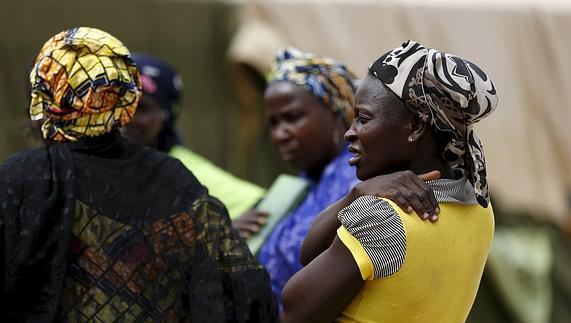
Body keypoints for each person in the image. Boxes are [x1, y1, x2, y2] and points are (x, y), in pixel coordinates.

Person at [1, 27, 277, 322]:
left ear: (46, 98)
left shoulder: (21, 177)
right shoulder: (173, 178)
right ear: (127, 94)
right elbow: (246, 291)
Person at [281, 40, 499, 322]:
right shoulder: (480, 206)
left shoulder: (384, 217)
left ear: (416, 127)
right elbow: (308, 253)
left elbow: (294, 309)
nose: (350, 132)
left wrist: (360, 202)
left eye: (363, 118)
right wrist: (355, 194)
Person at [250, 47, 440, 310]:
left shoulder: (365, 180)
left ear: (336, 113)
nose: (279, 134)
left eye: (292, 118)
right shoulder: (300, 186)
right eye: (273, 123)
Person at [120, 53, 265, 219]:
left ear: (167, 115)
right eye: (115, 103)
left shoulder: (184, 174)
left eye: (142, 108)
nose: (125, 117)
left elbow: (269, 210)